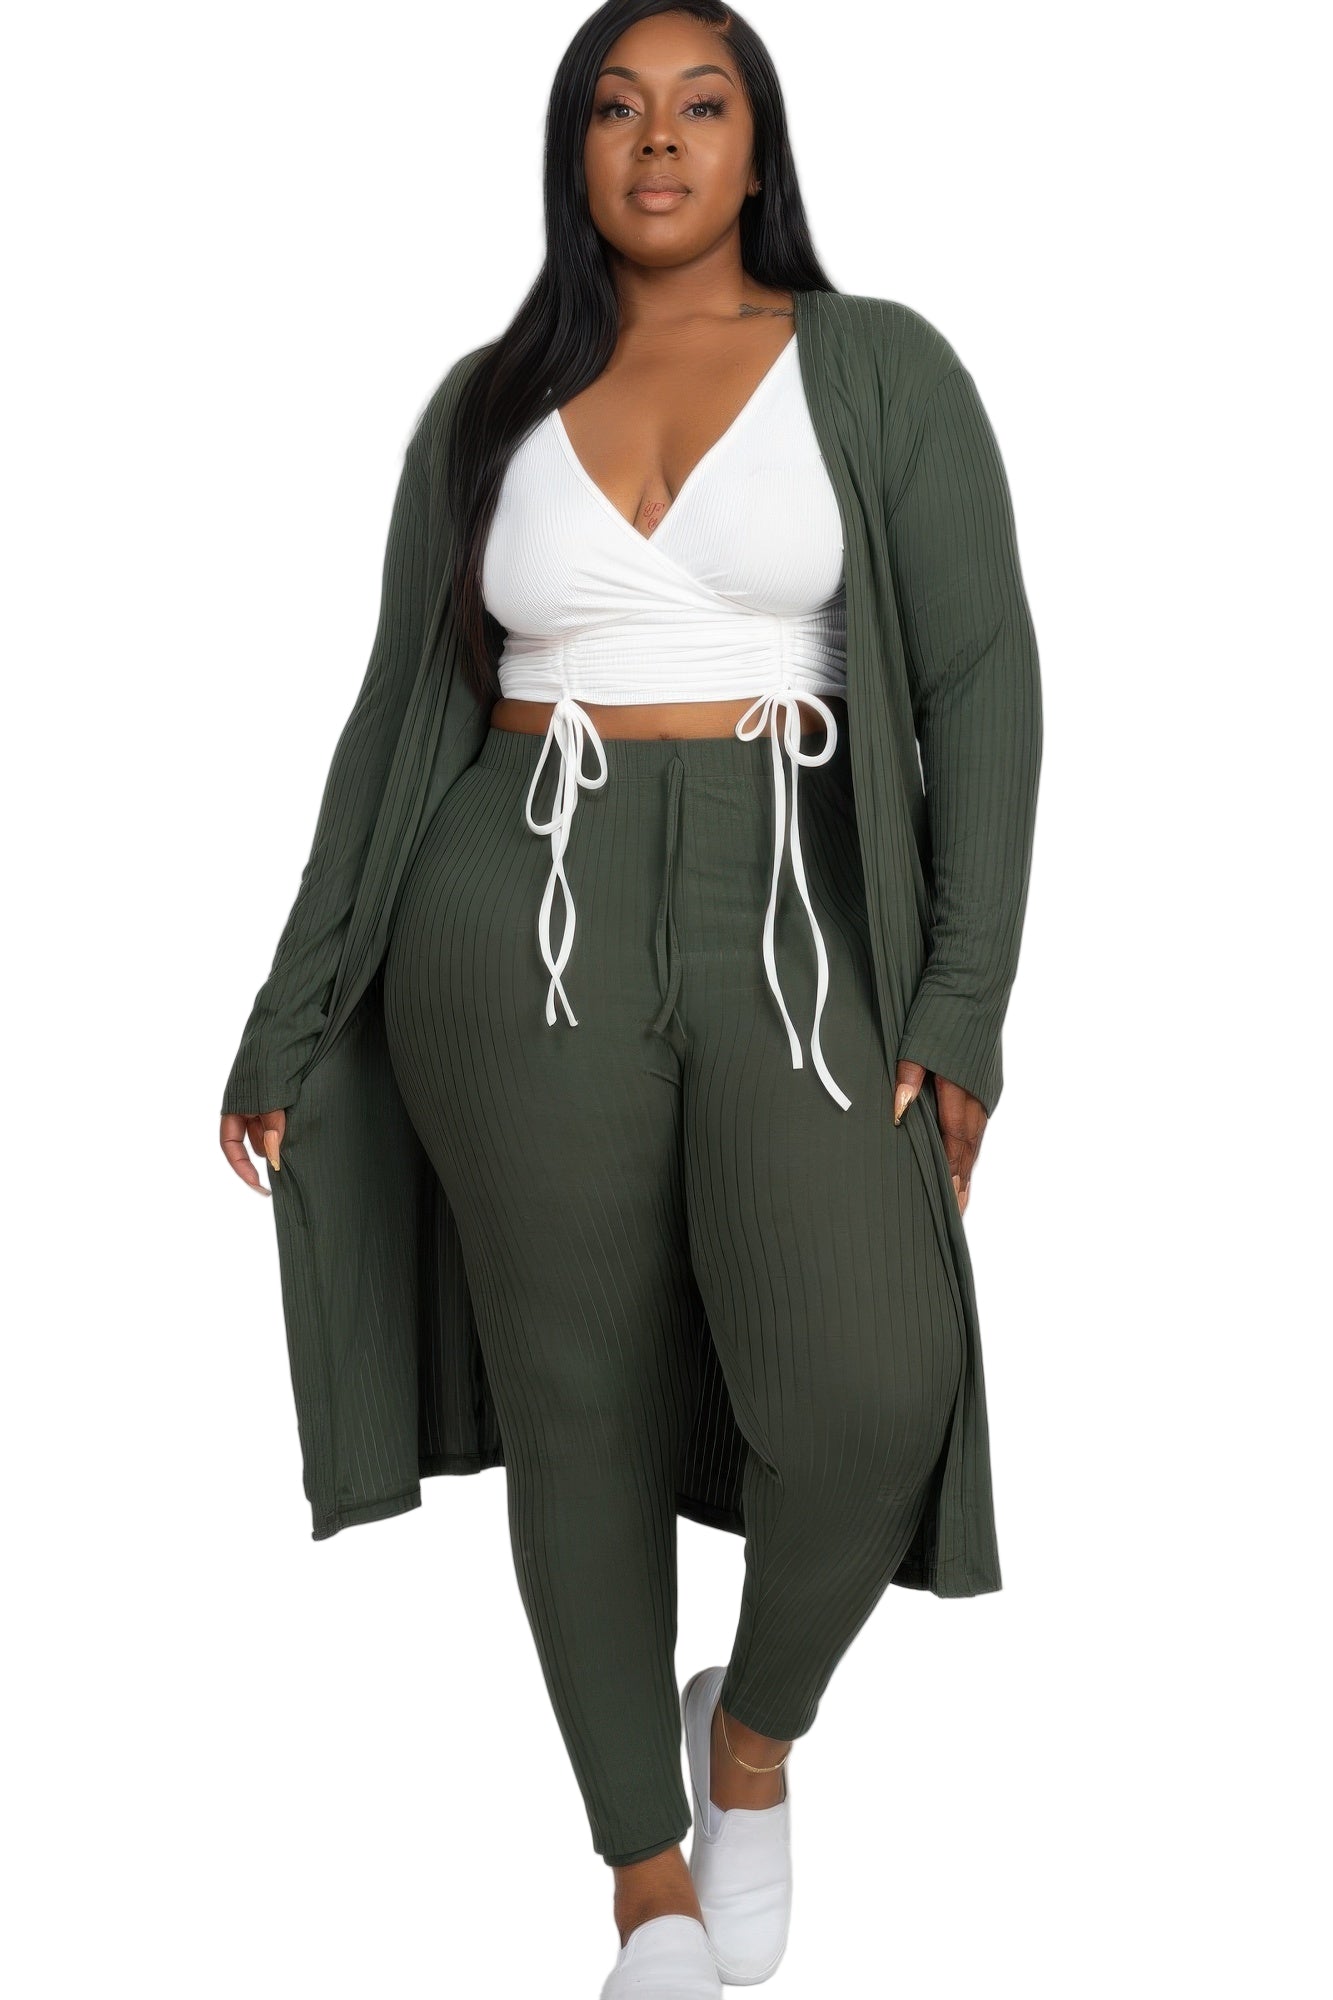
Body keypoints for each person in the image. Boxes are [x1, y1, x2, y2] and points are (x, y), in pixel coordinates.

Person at [219, 5, 1043, 1994]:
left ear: (758, 150)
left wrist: (962, 1001)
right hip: (510, 905)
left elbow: (979, 689)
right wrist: (290, 1003)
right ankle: (644, 1879)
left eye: (699, 106)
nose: (656, 141)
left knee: (865, 1389)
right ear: (573, 150)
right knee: (572, 1394)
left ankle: (744, 1743)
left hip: (790, 911)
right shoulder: (486, 401)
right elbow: (395, 716)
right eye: (615, 107)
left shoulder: (878, 368)